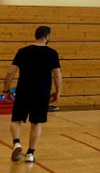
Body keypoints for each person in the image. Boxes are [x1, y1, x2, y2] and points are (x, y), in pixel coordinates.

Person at [5, 25, 62, 163]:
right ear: (47, 36)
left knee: (16, 119)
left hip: (24, 90)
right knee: (36, 123)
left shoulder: (23, 51)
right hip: (42, 92)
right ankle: (30, 154)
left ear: (35, 35)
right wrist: (58, 92)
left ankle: (16, 143)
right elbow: (57, 75)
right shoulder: (52, 53)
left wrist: (6, 90)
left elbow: (10, 72)